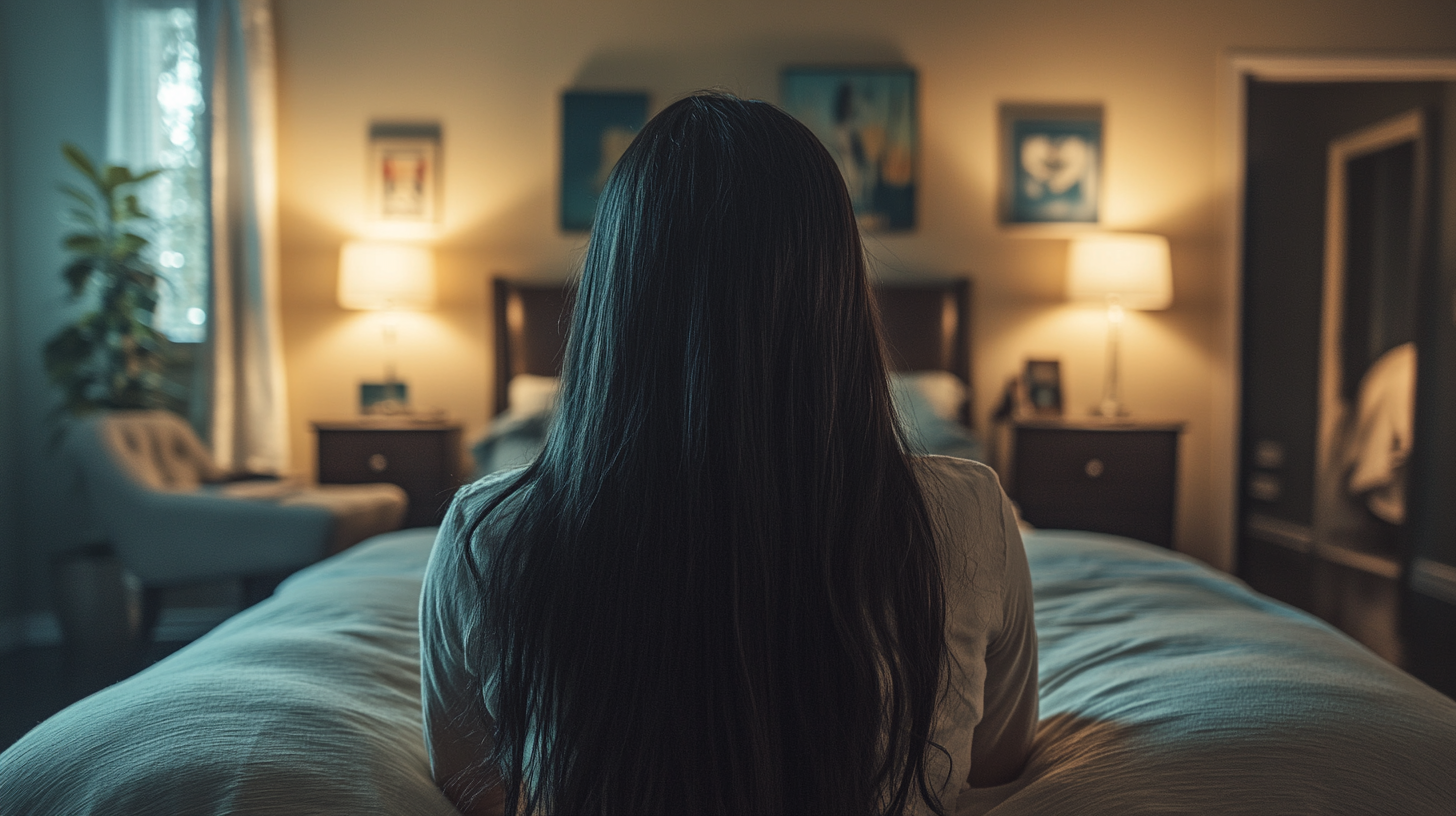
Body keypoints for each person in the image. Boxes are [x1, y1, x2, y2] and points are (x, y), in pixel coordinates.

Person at [419, 92, 1038, 816]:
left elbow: (476, 790)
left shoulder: (486, 534)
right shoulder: (970, 516)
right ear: (838, 297)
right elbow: (993, 769)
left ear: (613, 302)